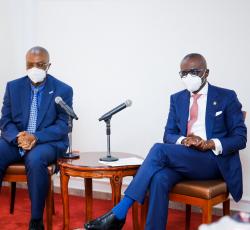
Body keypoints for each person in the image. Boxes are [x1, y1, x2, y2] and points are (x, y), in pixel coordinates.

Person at [84, 53, 247, 230]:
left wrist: (210, 143)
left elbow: (240, 138)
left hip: (213, 161)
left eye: (193, 72)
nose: (188, 77)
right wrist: (185, 140)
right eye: (183, 73)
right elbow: (168, 134)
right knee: (159, 178)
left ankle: (119, 212)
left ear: (206, 73)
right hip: (186, 158)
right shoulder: (177, 98)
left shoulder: (226, 97)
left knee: (159, 150)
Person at [0, 46, 73, 230]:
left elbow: (63, 125)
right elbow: (5, 120)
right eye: (30, 64)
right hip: (17, 139)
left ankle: (36, 220)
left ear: (48, 65)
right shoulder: (13, 87)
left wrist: (35, 137)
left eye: (40, 64)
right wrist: (18, 137)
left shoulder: (63, 90)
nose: (35, 68)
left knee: (35, 158)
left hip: (46, 142)